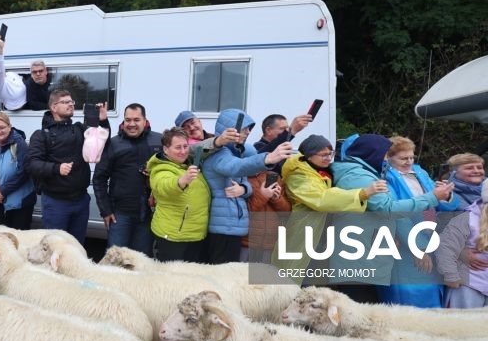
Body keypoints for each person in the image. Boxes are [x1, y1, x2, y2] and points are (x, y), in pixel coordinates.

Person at [331, 134, 453, 304]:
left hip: (366, 252)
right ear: (373, 153)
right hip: (360, 253)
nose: (386, 159)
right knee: (361, 307)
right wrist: (432, 197)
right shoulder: (361, 177)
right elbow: (389, 209)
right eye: (386, 154)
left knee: (366, 304)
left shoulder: (367, 172)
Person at [273, 134, 387, 286]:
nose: (328, 158)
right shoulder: (298, 175)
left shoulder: (323, 171)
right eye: (323, 155)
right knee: (296, 279)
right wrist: (362, 193)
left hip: (321, 235)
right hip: (305, 232)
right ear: (308, 156)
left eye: (330, 154)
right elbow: (322, 199)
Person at [202, 109, 293, 264]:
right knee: (222, 274)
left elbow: (245, 178)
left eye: (250, 128)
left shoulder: (237, 152)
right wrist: (269, 158)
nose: (249, 132)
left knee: (233, 276)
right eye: (245, 128)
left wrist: (244, 189)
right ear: (231, 129)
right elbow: (236, 167)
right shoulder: (218, 154)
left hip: (234, 225)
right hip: (222, 226)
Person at [377, 136, 459, 307]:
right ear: (388, 157)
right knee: (411, 297)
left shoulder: (420, 172)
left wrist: (448, 195)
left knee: (433, 294)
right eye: (403, 158)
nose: (409, 162)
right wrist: (418, 247)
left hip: (432, 239)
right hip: (406, 246)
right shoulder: (385, 177)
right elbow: (398, 215)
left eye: (412, 157)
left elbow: (440, 204)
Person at [27, 90, 109, 244]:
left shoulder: (79, 128)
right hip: (56, 203)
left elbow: (101, 144)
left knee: (77, 248)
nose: (71, 104)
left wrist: (103, 122)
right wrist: (56, 168)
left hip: (80, 200)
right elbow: (32, 164)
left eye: (72, 102)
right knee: (55, 248)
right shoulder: (41, 134)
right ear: (53, 107)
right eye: (65, 102)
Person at [92, 103, 162, 255]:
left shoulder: (159, 141)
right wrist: (105, 210)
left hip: (149, 215)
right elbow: (99, 179)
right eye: (127, 120)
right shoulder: (113, 143)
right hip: (119, 215)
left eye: (136, 120)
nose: (131, 124)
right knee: (115, 260)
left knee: (142, 261)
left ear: (145, 120)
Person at [147, 127, 210, 262]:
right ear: (165, 149)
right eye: (178, 147)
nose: (183, 151)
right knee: (170, 278)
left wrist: (220, 140)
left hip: (195, 234)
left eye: (185, 146)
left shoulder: (187, 164)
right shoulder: (161, 168)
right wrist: (181, 181)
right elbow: (164, 186)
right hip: (172, 235)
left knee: (189, 278)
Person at [436, 179, 488, 308]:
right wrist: (451, 275)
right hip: (469, 284)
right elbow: (446, 246)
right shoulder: (467, 219)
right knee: (465, 324)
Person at [0, 112, 36, 229]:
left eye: (2, 127)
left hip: (18, 205)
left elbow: (23, 172)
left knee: (18, 241)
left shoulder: (20, 144)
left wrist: (2, 190)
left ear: (9, 127)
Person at [0, 35, 27, 111]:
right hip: (21, 107)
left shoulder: (9, 74)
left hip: (27, 98)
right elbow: (0, 70)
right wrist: (0, 48)